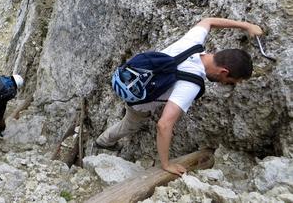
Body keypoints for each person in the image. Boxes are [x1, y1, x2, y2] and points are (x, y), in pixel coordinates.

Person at [95, 17, 263, 176]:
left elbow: (208, 21)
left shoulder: (192, 43)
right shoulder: (191, 84)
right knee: (130, 125)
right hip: (138, 104)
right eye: (231, 81)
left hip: (132, 77)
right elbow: (164, 125)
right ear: (224, 72)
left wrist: (246, 25)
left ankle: (106, 139)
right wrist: (166, 164)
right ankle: (104, 141)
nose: (229, 84)